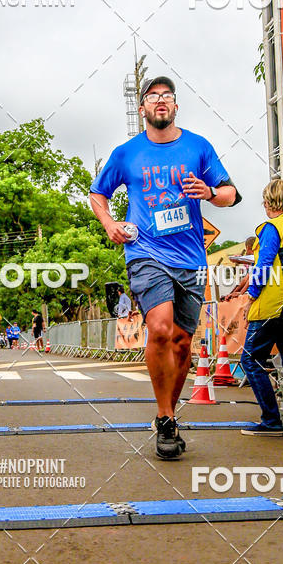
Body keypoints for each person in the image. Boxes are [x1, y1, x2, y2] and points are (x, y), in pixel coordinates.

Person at [90, 75, 240, 460]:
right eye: (153, 97)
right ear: (142, 109)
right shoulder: (127, 153)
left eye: (167, 97)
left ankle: (167, 415)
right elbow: (97, 193)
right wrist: (110, 225)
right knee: (158, 327)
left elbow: (231, 194)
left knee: (183, 342)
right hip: (145, 252)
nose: (161, 101)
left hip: (190, 258)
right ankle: (166, 416)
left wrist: (209, 192)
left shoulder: (198, 147)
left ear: (175, 108)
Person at [226, 180, 283, 437]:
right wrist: (244, 285)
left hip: (271, 306)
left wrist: (250, 295)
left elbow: (263, 266)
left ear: (269, 202)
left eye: (264, 200)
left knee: (250, 361)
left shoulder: (271, 228)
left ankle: (271, 421)